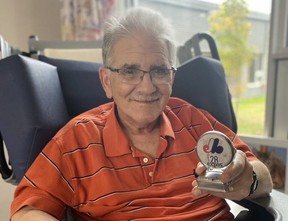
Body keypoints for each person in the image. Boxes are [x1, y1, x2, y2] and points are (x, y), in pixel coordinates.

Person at [11, 7, 272, 221]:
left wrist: (247, 180)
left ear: (172, 76)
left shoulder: (194, 121)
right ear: (106, 81)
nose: (147, 87)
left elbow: (261, 176)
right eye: (129, 71)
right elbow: (29, 209)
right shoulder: (75, 141)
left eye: (159, 70)